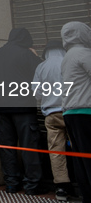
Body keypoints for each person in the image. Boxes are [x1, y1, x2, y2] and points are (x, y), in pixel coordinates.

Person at [0, 27, 44, 195]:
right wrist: (36, 57)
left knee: (6, 147)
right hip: (24, 107)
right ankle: (33, 185)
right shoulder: (26, 54)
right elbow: (41, 73)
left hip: (2, 108)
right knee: (29, 146)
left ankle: (11, 184)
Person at [32, 40, 72, 200]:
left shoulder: (41, 67)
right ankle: (83, 181)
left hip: (51, 115)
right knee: (80, 148)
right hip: (72, 112)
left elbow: (37, 93)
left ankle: (62, 186)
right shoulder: (68, 63)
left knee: (56, 151)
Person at [60, 21, 91, 203]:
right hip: (86, 111)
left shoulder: (68, 56)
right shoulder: (84, 54)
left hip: (70, 112)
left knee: (81, 159)